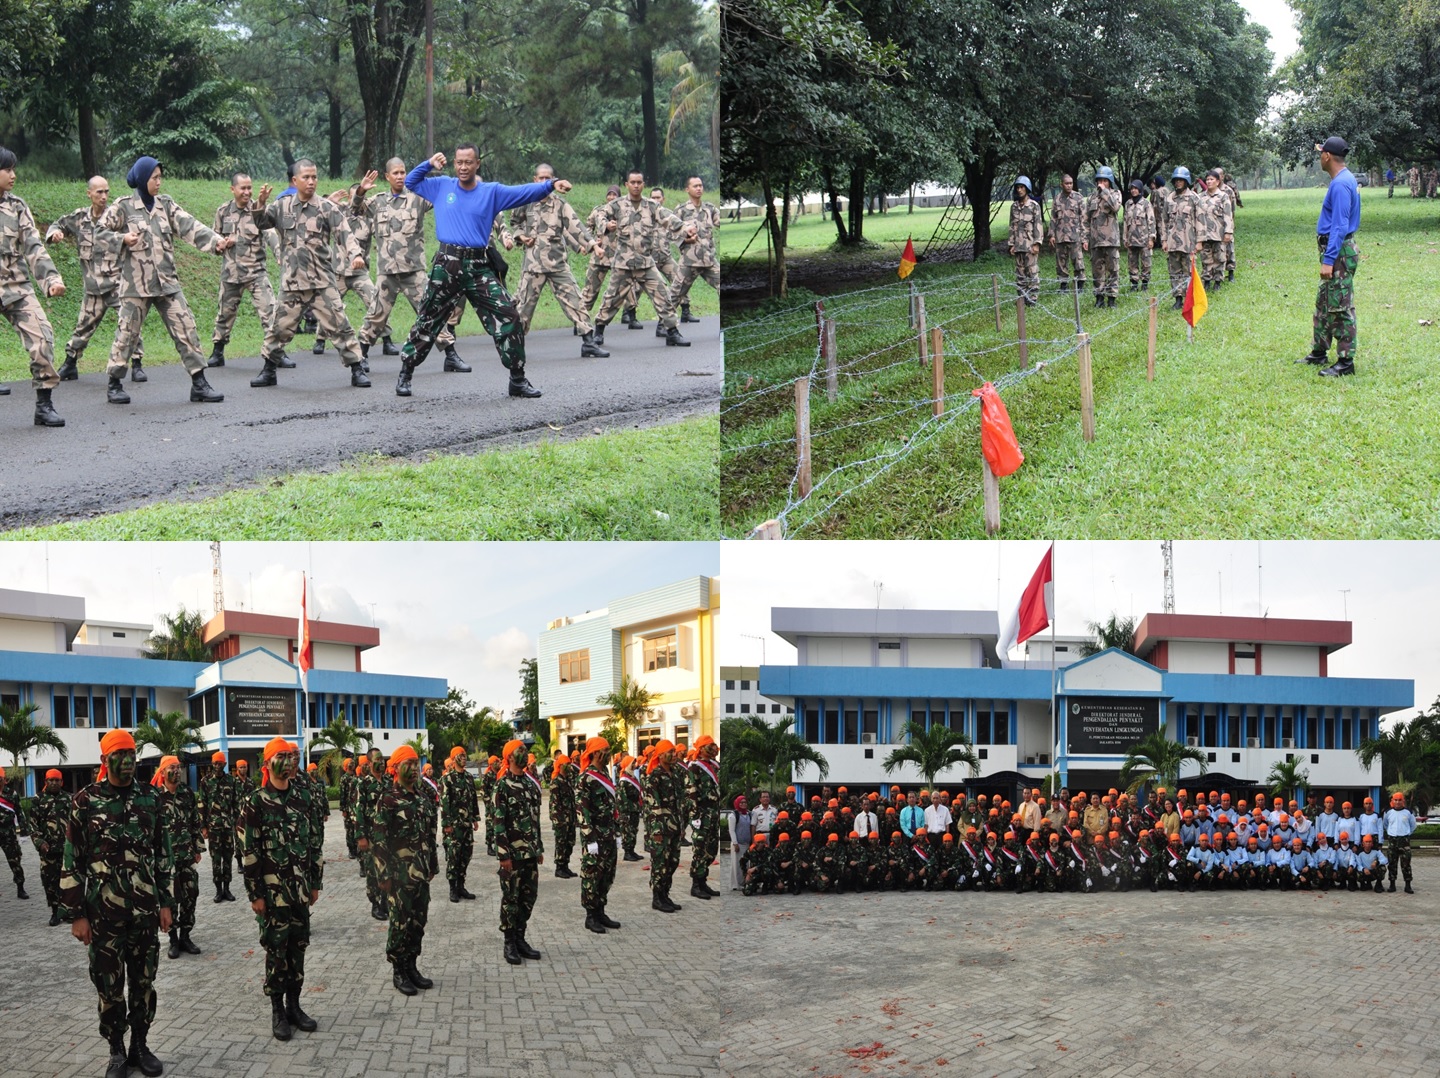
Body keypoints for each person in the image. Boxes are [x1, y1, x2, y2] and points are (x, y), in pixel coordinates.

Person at [395, 146, 569, 399]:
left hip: (478, 267)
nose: (463, 167)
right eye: (459, 163)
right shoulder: (442, 186)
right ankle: (406, 373)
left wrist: (551, 185)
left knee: (509, 316)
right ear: (455, 164)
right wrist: (429, 163)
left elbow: (524, 191)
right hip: (448, 265)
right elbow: (411, 181)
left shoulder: (492, 192)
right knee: (428, 319)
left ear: (477, 164)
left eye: (468, 162)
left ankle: (517, 379)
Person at [59, 729, 172, 1078]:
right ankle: (117, 1051)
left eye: (131, 754)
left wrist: (166, 903)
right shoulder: (84, 801)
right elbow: (71, 861)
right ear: (104, 760)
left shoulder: (151, 799)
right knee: (109, 986)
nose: (126, 761)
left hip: (144, 915)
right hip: (103, 916)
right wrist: (76, 915)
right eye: (118, 754)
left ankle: (140, 1044)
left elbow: (163, 854)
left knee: (143, 983)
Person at [96, 155, 230, 406]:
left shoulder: (165, 205)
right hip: (136, 286)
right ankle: (114, 384)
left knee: (186, 328)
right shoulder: (123, 206)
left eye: (160, 177)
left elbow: (191, 226)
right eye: (154, 177)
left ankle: (199, 383)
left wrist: (216, 242)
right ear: (143, 178)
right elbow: (99, 234)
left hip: (167, 283)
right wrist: (122, 239)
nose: (159, 182)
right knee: (126, 335)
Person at [246, 161, 369, 389]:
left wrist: (355, 255)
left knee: (340, 326)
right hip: (292, 282)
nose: (311, 181)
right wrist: (260, 202)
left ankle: (357, 369)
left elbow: (345, 233)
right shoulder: (282, 206)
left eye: (314, 177)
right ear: (295, 181)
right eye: (306, 177)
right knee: (278, 328)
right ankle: (269, 370)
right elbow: (262, 222)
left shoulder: (326, 207)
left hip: (321, 281)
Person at [241, 737, 322, 1041]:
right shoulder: (256, 801)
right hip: (273, 896)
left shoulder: (303, 796)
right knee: (276, 952)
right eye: (281, 756)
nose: (288, 762)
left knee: (298, 948)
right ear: (268, 763)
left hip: (299, 891)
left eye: (290, 756)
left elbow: (314, 842)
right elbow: (249, 853)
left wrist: (314, 883)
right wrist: (255, 894)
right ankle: (278, 1011)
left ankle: (295, 1006)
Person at [350, 159, 463, 367]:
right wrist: (360, 192)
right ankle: (361, 355)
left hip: (414, 272)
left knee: (431, 312)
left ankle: (451, 355)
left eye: (403, 172)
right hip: (388, 272)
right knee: (376, 315)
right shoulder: (377, 201)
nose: (400, 176)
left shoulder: (417, 198)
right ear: (387, 176)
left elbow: (442, 199)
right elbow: (355, 212)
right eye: (395, 173)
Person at [46, 175, 144, 383]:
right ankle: (70, 364)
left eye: (107, 191)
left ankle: (137, 364)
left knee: (129, 323)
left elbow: (137, 237)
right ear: (89, 193)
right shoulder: (80, 218)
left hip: (117, 284)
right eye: (99, 192)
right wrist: (55, 234)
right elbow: (57, 225)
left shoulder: (117, 217)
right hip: (93, 288)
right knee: (82, 328)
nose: (104, 196)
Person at [507, 163, 608, 356]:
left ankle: (588, 342)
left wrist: (592, 245)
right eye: (540, 178)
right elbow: (515, 223)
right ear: (534, 180)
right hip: (533, 265)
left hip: (557, 264)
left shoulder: (560, 204)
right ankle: (513, 347)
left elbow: (575, 225)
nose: (544, 181)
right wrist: (520, 237)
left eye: (548, 178)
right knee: (522, 309)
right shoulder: (525, 202)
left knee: (575, 301)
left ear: (553, 181)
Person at [0, 147, 68, 426]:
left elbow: (34, 248)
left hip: (16, 286)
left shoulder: (17, 206)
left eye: (14, 169)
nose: (13, 175)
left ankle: (44, 405)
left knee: (43, 336)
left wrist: (51, 279)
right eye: (8, 170)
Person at [591, 171, 691, 349]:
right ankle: (598, 332)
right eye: (632, 182)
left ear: (643, 184)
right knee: (611, 299)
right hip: (623, 264)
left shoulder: (651, 206)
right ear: (626, 184)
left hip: (645, 263)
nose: (636, 185)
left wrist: (685, 228)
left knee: (663, 295)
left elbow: (669, 218)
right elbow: (600, 214)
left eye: (639, 182)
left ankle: (672, 332)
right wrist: (606, 225)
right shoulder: (617, 205)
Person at [370, 743, 437, 995]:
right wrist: (383, 874)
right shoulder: (387, 799)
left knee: (418, 921)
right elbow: (378, 841)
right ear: (395, 768)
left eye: (415, 763)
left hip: (420, 873)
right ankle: (399, 970)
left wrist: (432, 864)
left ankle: (412, 966)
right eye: (407, 763)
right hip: (399, 876)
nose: (414, 768)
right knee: (400, 923)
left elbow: (430, 835)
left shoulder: (422, 797)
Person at [1300, 136, 1361, 377]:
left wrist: (1328, 259)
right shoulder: (1343, 180)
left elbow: (1339, 225)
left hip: (1338, 253)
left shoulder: (1341, 184)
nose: (1319, 158)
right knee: (1324, 304)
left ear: (1327, 156)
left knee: (1340, 307)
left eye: (1320, 154)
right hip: (1335, 250)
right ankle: (1319, 352)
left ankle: (1346, 363)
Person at [207, 172, 281, 368]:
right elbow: (213, 238)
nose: (248, 192)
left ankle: (276, 353)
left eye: (250, 188)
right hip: (231, 273)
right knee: (224, 314)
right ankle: (218, 351)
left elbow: (271, 235)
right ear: (233, 189)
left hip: (256, 273)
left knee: (269, 312)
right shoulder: (223, 211)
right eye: (243, 188)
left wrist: (280, 255)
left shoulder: (258, 210)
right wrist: (220, 244)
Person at [492, 738, 545, 964]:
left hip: (530, 853)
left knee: (528, 897)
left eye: (526, 749)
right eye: (520, 750)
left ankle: (521, 938)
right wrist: (503, 854)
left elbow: (535, 821)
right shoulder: (502, 786)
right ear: (510, 757)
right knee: (511, 898)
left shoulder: (531, 785)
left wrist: (539, 847)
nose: (525, 753)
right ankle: (509, 942)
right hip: (512, 855)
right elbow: (498, 822)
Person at [154, 756, 204, 959]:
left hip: (187, 854)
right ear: (162, 771)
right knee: (171, 898)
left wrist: (198, 847)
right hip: (167, 859)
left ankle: (186, 936)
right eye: (172, 767)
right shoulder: (156, 797)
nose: (177, 771)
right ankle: (173, 939)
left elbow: (194, 821)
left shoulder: (187, 794)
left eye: (178, 767)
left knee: (191, 894)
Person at [575, 736, 622, 932]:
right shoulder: (586, 777)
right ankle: (590, 915)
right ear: (594, 753)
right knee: (592, 876)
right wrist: (589, 838)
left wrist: (617, 832)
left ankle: (601, 911)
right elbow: (582, 811)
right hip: (595, 836)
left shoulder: (606, 775)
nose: (608, 754)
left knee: (607, 875)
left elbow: (613, 807)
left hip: (609, 833)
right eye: (605, 750)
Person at [668, 175, 720, 323]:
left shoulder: (709, 209)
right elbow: (669, 232)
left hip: (709, 261)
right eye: (695, 186)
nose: (699, 188)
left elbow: (721, 221)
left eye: (701, 185)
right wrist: (684, 239)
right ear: (687, 189)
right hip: (689, 262)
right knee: (676, 295)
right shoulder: (681, 210)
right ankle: (663, 325)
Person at [645, 739, 686, 913]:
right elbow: (652, 806)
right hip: (661, 828)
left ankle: (665, 894)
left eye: (673, 751)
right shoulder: (654, 776)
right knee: (660, 863)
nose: (673, 754)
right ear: (660, 755)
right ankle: (657, 897)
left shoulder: (676, 773)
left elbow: (681, 800)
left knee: (673, 862)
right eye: (669, 751)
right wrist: (656, 831)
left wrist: (683, 825)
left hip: (675, 825)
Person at [197, 751, 241, 902]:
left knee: (228, 858)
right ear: (212, 764)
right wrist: (203, 827)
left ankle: (227, 889)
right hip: (213, 827)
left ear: (224, 764)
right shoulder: (205, 781)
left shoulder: (231, 780)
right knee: (216, 860)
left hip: (228, 827)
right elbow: (201, 804)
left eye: (220, 763)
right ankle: (218, 890)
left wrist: (237, 824)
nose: (217, 766)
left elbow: (236, 804)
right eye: (215, 763)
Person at [439, 745, 479, 902]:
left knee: (466, 855)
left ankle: (461, 886)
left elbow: (474, 799)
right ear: (454, 758)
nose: (464, 757)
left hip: (467, 825)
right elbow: (444, 803)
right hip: (454, 826)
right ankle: (452, 888)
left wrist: (475, 818)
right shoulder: (447, 779)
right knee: (453, 857)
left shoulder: (469, 777)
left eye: (465, 755)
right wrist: (446, 824)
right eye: (460, 755)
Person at [30, 768, 69, 922]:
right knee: (49, 881)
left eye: (56, 780)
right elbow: (32, 824)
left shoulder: (69, 799)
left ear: (61, 782)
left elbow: (76, 823)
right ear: (46, 782)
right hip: (48, 850)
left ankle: (66, 910)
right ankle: (54, 912)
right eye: (50, 780)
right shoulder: (38, 800)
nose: (53, 783)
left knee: (67, 880)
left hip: (67, 849)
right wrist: (39, 842)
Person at [1159, 167, 1201, 311]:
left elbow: (1200, 221)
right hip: (1172, 242)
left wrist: (1200, 241)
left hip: (1188, 242)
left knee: (1189, 271)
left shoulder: (1194, 198)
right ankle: (1178, 299)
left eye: (1181, 180)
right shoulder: (1169, 198)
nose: (1178, 183)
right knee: (1174, 271)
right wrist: (1164, 240)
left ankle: (1190, 299)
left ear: (1186, 181)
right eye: (1176, 180)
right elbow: (1163, 220)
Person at [1084, 166, 1123, 306]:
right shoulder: (1091, 198)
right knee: (1097, 271)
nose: (1101, 183)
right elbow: (1086, 219)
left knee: (1113, 270)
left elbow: (1115, 207)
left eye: (1105, 180)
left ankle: (1112, 298)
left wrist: (1105, 192)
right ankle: (1099, 297)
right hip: (1096, 241)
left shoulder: (1116, 194)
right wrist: (1085, 238)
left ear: (1110, 181)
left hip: (1111, 240)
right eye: (1099, 180)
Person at [1048, 174, 1087, 294]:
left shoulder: (1078, 198)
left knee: (1078, 260)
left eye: (1071, 183)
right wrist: (1052, 235)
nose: (1069, 185)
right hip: (1060, 236)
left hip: (1075, 236)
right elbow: (1053, 218)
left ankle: (1080, 284)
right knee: (1061, 262)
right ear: (1062, 184)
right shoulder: (1057, 199)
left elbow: (1083, 219)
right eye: (1066, 183)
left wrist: (1084, 238)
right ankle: (1063, 284)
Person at [1007, 176, 1043, 306]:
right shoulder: (1014, 207)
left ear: (1027, 189)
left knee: (1032, 271)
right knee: (1020, 272)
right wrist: (1011, 244)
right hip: (1018, 245)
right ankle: (1022, 296)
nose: (1019, 190)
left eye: (1022, 187)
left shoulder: (1034, 206)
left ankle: (1033, 297)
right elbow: (1012, 226)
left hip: (1030, 244)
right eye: (1018, 187)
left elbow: (1038, 225)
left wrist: (1037, 243)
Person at [1197, 170, 1233, 291]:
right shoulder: (1201, 197)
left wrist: (1228, 232)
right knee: (1206, 257)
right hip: (1204, 234)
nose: (1209, 181)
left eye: (1212, 179)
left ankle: (1218, 281)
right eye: (1207, 179)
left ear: (1218, 182)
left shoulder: (1223, 196)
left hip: (1219, 233)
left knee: (1220, 257)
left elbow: (1228, 215)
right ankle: (1206, 280)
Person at [547, 751, 579, 879]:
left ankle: (565, 866)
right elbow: (554, 804)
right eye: (566, 764)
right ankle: (559, 868)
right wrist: (558, 821)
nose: (569, 766)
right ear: (560, 766)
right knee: (561, 843)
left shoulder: (568, 781)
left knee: (569, 843)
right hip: (561, 820)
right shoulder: (556, 782)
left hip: (570, 818)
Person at [1122, 180, 1156, 292]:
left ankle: (1145, 284)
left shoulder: (1146, 204)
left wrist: (1151, 238)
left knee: (1146, 263)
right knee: (1132, 263)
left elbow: (1151, 221)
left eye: (1136, 188)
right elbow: (1125, 222)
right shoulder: (1128, 204)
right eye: (1131, 188)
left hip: (1144, 239)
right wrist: (1125, 238)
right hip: (1131, 239)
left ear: (1140, 189)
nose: (1133, 190)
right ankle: (1134, 284)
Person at [1384, 790, 1416, 893]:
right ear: (1392, 801)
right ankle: (1392, 884)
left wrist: (1406, 834)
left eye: (1400, 800)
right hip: (1392, 840)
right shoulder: (1388, 812)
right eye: (1395, 800)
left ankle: (1408, 885)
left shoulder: (1408, 812)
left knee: (1406, 864)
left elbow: (1413, 826)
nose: (1397, 802)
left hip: (1404, 841)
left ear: (1403, 801)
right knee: (1392, 863)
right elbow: (1385, 825)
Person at [618, 754, 644, 860]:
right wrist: (624, 813)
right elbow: (621, 797)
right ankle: (627, 852)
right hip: (628, 809)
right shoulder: (624, 779)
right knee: (627, 831)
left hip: (634, 808)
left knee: (634, 830)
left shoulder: (632, 776)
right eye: (632, 763)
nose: (634, 765)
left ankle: (632, 850)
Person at [729, 794, 752, 890]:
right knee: (737, 865)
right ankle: (736, 884)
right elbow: (731, 830)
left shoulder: (749, 814)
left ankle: (745, 882)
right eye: (741, 802)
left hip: (747, 844)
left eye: (745, 802)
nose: (743, 804)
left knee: (746, 864)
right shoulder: (733, 815)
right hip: (738, 844)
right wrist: (735, 843)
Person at [338, 756, 358, 857]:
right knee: (349, 830)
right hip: (348, 807)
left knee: (356, 829)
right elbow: (342, 794)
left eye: (353, 763)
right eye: (350, 763)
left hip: (356, 807)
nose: (352, 764)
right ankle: (351, 850)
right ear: (346, 766)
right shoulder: (344, 778)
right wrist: (343, 809)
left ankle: (357, 849)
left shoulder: (356, 777)